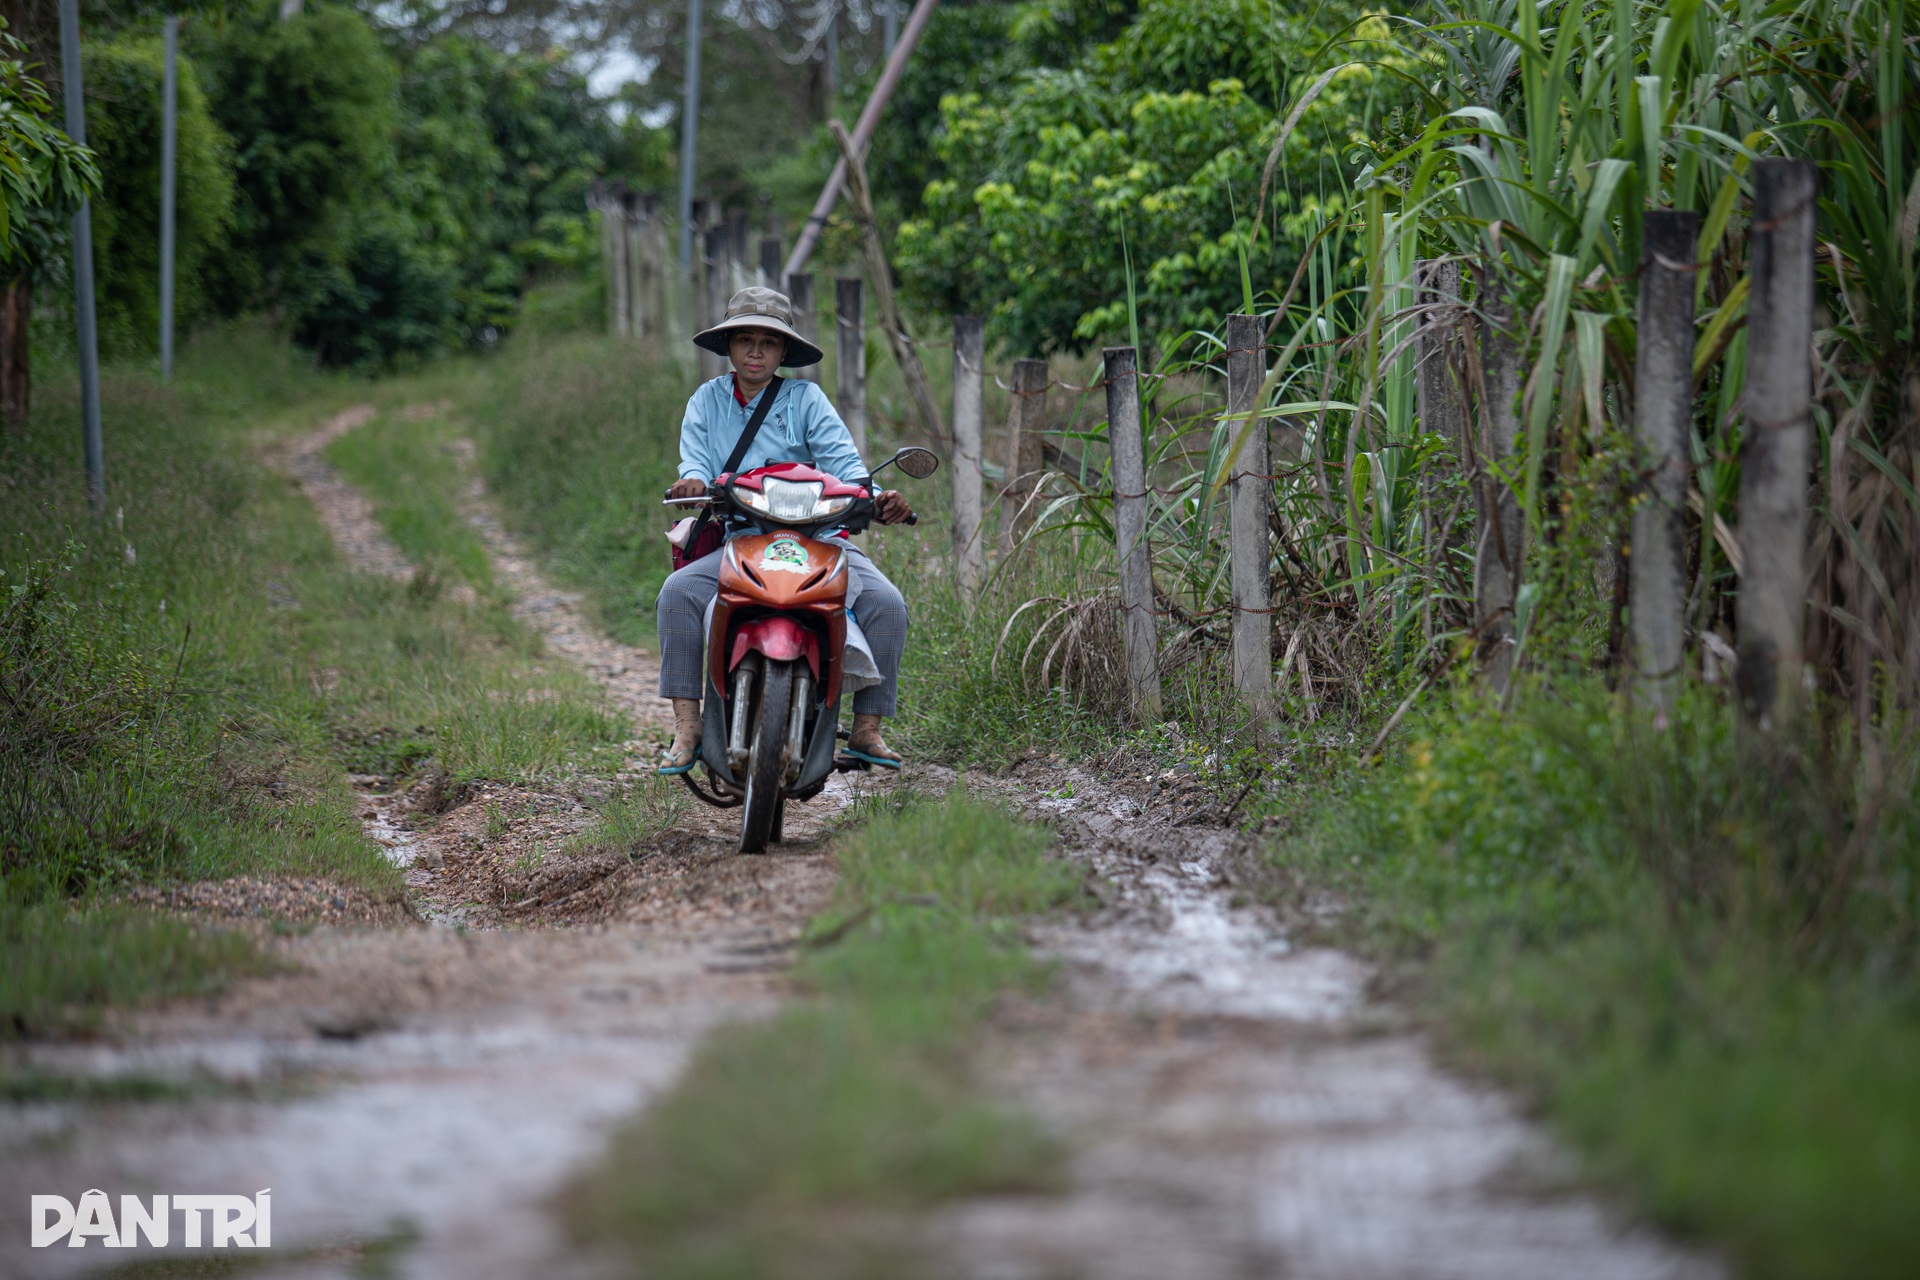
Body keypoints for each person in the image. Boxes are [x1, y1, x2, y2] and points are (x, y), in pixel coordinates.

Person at [656, 286, 914, 776]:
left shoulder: (806, 398)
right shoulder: (705, 401)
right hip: (742, 541)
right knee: (677, 593)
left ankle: (867, 728)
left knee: (887, 603)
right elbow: (694, 462)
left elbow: (846, 466)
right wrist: (692, 480)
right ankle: (687, 726)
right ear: (729, 346)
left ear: (782, 352)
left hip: (819, 540)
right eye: (746, 339)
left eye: (769, 342)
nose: (756, 351)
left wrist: (877, 498)